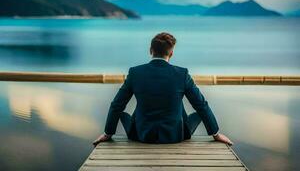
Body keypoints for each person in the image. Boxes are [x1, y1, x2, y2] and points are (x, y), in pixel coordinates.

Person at [93, 32, 232, 145]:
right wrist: (216, 134)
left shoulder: (135, 73)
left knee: (122, 113)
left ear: (150, 51)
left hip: (143, 135)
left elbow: (116, 105)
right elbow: (201, 105)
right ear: (171, 54)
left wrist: (108, 133)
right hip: (174, 136)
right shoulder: (182, 74)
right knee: (197, 113)